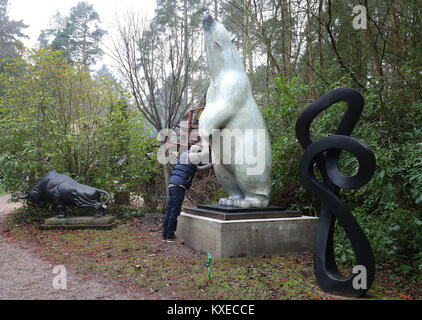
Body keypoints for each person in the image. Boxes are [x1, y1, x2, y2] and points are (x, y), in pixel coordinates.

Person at [162, 145, 213, 242]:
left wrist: (212, 164)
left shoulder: (185, 157)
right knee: (175, 211)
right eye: (198, 152)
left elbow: (199, 169)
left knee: (170, 209)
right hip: (178, 186)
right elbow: (203, 155)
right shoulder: (191, 156)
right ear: (195, 152)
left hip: (173, 184)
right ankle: (170, 236)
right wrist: (206, 145)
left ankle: (165, 234)